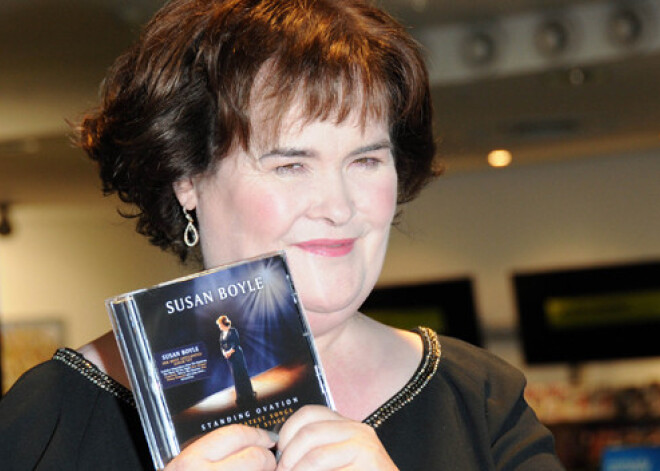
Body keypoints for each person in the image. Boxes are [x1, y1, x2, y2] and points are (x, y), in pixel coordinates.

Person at [0, 0, 565, 469]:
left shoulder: (481, 402)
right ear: (187, 178)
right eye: (291, 164)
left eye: (366, 160)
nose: (339, 207)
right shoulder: (56, 417)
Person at [216, 315, 257, 408]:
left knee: (242, 374)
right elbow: (221, 346)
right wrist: (224, 353)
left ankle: (249, 395)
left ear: (223, 323)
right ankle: (240, 396)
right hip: (230, 358)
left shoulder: (233, 331)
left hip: (237, 355)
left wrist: (229, 352)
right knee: (235, 376)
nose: (219, 327)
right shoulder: (222, 334)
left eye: (220, 324)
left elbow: (236, 343)